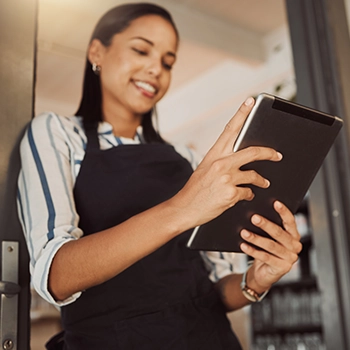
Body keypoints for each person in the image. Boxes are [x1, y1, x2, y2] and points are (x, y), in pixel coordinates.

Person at [17, 3, 302, 349]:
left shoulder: (186, 158)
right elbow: (55, 275)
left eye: (168, 62)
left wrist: (256, 280)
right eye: (141, 50)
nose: (156, 69)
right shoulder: (57, 134)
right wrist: (182, 208)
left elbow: (216, 291)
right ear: (97, 51)